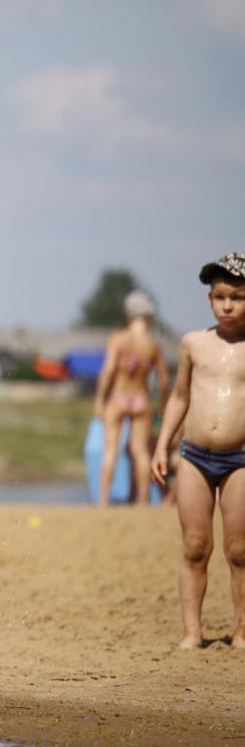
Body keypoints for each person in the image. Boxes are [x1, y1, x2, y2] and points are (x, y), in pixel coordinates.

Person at [151, 253, 245, 649]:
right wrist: (162, 444)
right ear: (209, 298)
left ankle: (242, 631)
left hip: (240, 458)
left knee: (240, 549)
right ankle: (193, 632)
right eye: (220, 296)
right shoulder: (193, 344)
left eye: (238, 297)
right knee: (194, 545)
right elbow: (179, 396)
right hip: (194, 456)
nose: (227, 305)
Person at [94, 290, 169, 506]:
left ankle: (103, 500)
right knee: (140, 451)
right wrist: (164, 406)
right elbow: (164, 381)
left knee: (111, 449)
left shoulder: (119, 338)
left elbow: (107, 371)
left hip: (117, 397)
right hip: (141, 399)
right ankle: (143, 501)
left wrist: (99, 400)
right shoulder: (153, 345)